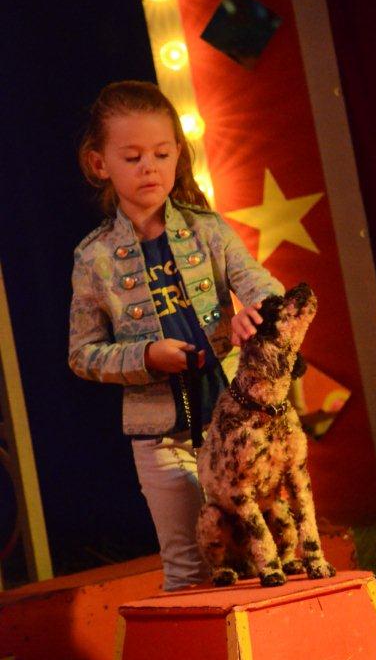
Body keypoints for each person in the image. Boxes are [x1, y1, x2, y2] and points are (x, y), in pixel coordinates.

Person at [69, 80, 284, 591]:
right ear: (100, 164)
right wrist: (146, 356)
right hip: (159, 437)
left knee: (263, 549)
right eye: (133, 157)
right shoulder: (94, 257)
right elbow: (82, 354)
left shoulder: (207, 229)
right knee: (188, 564)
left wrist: (253, 317)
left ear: (178, 156)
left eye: (162, 154)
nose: (149, 167)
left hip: (232, 419)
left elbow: (269, 291)